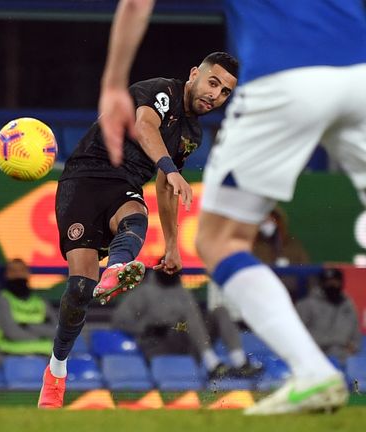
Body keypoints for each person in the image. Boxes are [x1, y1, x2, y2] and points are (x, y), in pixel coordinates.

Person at [98, 0, 366, 415]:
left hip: (284, 75)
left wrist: (114, 83)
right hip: (361, 72)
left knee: (220, 240)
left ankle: (313, 372)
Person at [39, 52, 238, 408]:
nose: (216, 95)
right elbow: (145, 126)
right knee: (80, 290)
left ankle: (117, 266)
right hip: (84, 179)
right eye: (213, 82)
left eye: (225, 92)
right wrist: (170, 168)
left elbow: (165, 187)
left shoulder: (192, 134)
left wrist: (174, 245)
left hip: (124, 185)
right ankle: (56, 371)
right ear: (194, 73)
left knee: (135, 215)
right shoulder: (160, 90)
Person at [110, 267, 260, 380]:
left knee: (220, 311)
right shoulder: (143, 293)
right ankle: (212, 364)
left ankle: (239, 362)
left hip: (188, 341)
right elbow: (119, 320)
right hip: (160, 342)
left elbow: (195, 323)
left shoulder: (183, 292)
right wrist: (146, 328)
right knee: (187, 316)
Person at [0, 259, 58, 356]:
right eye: (13, 271)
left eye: (22, 270)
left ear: (28, 273)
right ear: (6, 275)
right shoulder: (1, 300)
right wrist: (41, 336)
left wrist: (28, 326)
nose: (18, 274)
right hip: (9, 355)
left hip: (45, 355)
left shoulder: (40, 302)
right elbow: (12, 333)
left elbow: (56, 331)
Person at [296, 268, 361, 366]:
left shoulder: (348, 305)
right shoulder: (307, 304)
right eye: (328, 282)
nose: (332, 285)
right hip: (315, 356)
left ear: (341, 282)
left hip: (343, 356)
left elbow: (356, 331)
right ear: (322, 284)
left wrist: (354, 347)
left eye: (335, 281)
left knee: (356, 380)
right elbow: (296, 330)